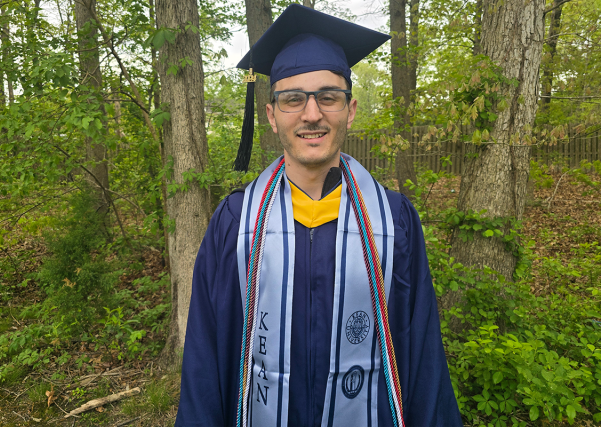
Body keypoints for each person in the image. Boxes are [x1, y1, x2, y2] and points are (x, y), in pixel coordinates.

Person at [175, 5, 462, 427]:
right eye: (293, 99)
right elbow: (204, 354)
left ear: (351, 109)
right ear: (272, 116)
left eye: (328, 97)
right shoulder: (237, 223)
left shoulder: (393, 221)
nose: (312, 114)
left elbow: (422, 356)